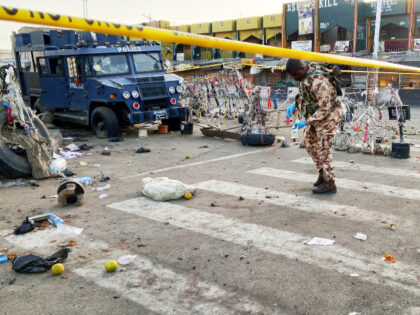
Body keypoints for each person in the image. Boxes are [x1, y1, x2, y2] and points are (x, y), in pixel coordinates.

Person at [285, 59, 346, 194]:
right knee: (309, 141)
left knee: (324, 148)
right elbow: (305, 94)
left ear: (301, 69)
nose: (294, 78)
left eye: (294, 75)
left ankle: (330, 183)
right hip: (317, 116)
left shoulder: (319, 82)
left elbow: (325, 108)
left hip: (330, 115)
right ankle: (323, 173)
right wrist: (295, 105)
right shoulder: (307, 75)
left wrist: (306, 122)